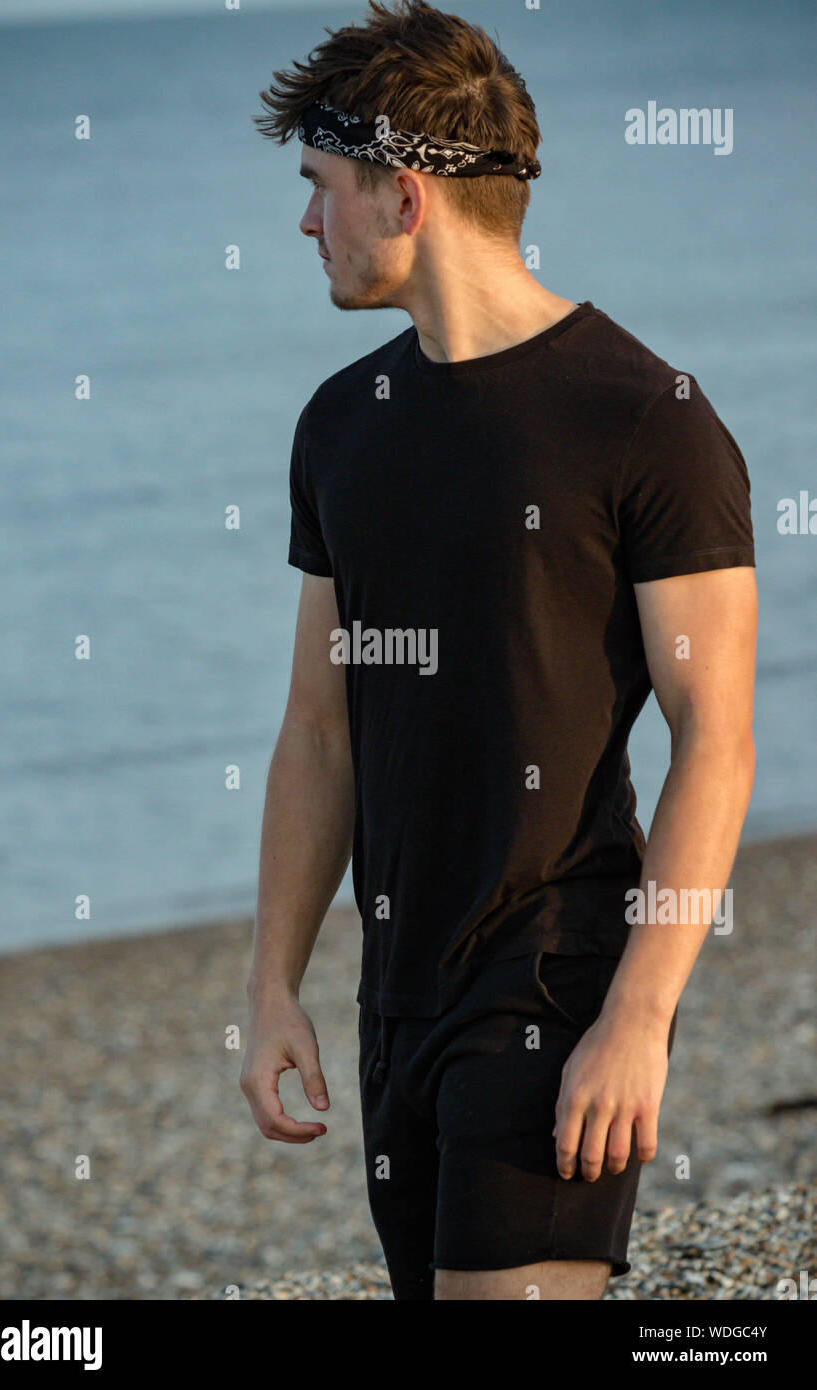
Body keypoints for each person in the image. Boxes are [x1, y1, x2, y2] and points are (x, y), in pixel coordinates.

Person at [241, 0, 757, 1301]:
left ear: (402, 195)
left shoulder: (647, 420)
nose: (305, 223)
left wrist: (637, 1013)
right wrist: (273, 983)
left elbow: (717, 737)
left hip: (556, 968)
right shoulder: (338, 427)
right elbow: (318, 727)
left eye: (320, 189)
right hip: (392, 992)